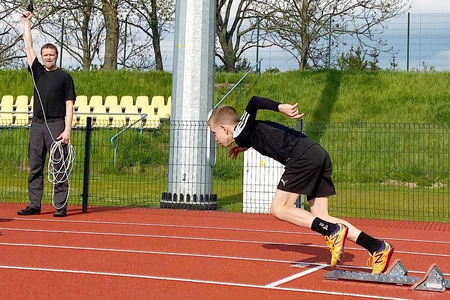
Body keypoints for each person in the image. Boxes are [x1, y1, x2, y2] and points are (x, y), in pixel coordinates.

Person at [208, 96, 394, 274]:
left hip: (301, 157)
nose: (215, 140)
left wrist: (282, 108)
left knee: (278, 209)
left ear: (225, 128)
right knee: (322, 215)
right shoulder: (243, 135)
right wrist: (243, 147)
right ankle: (377, 247)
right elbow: (256, 135)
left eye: (214, 133)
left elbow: (254, 101)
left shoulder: (240, 129)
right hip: (317, 154)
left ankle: (332, 231)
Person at [17, 11, 75, 217]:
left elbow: (70, 104)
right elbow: (28, 46)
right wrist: (27, 22)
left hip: (57, 125)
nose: (48, 57)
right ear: (42, 57)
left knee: (59, 166)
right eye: (45, 55)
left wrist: (67, 130)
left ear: (56, 56)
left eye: (51, 54)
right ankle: (34, 204)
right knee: (35, 165)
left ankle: (60, 205)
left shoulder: (65, 77)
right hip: (37, 125)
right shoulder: (37, 71)